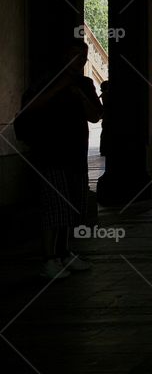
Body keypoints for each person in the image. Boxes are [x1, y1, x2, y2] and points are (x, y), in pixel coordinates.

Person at [18, 40, 103, 279]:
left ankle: (65, 253)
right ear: (64, 56)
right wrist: (59, 88)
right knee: (55, 208)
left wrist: (78, 94)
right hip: (50, 153)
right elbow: (30, 107)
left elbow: (96, 115)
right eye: (76, 55)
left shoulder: (84, 84)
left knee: (73, 206)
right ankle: (49, 259)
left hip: (75, 154)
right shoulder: (45, 82)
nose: (81, 61)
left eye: (84, 56)